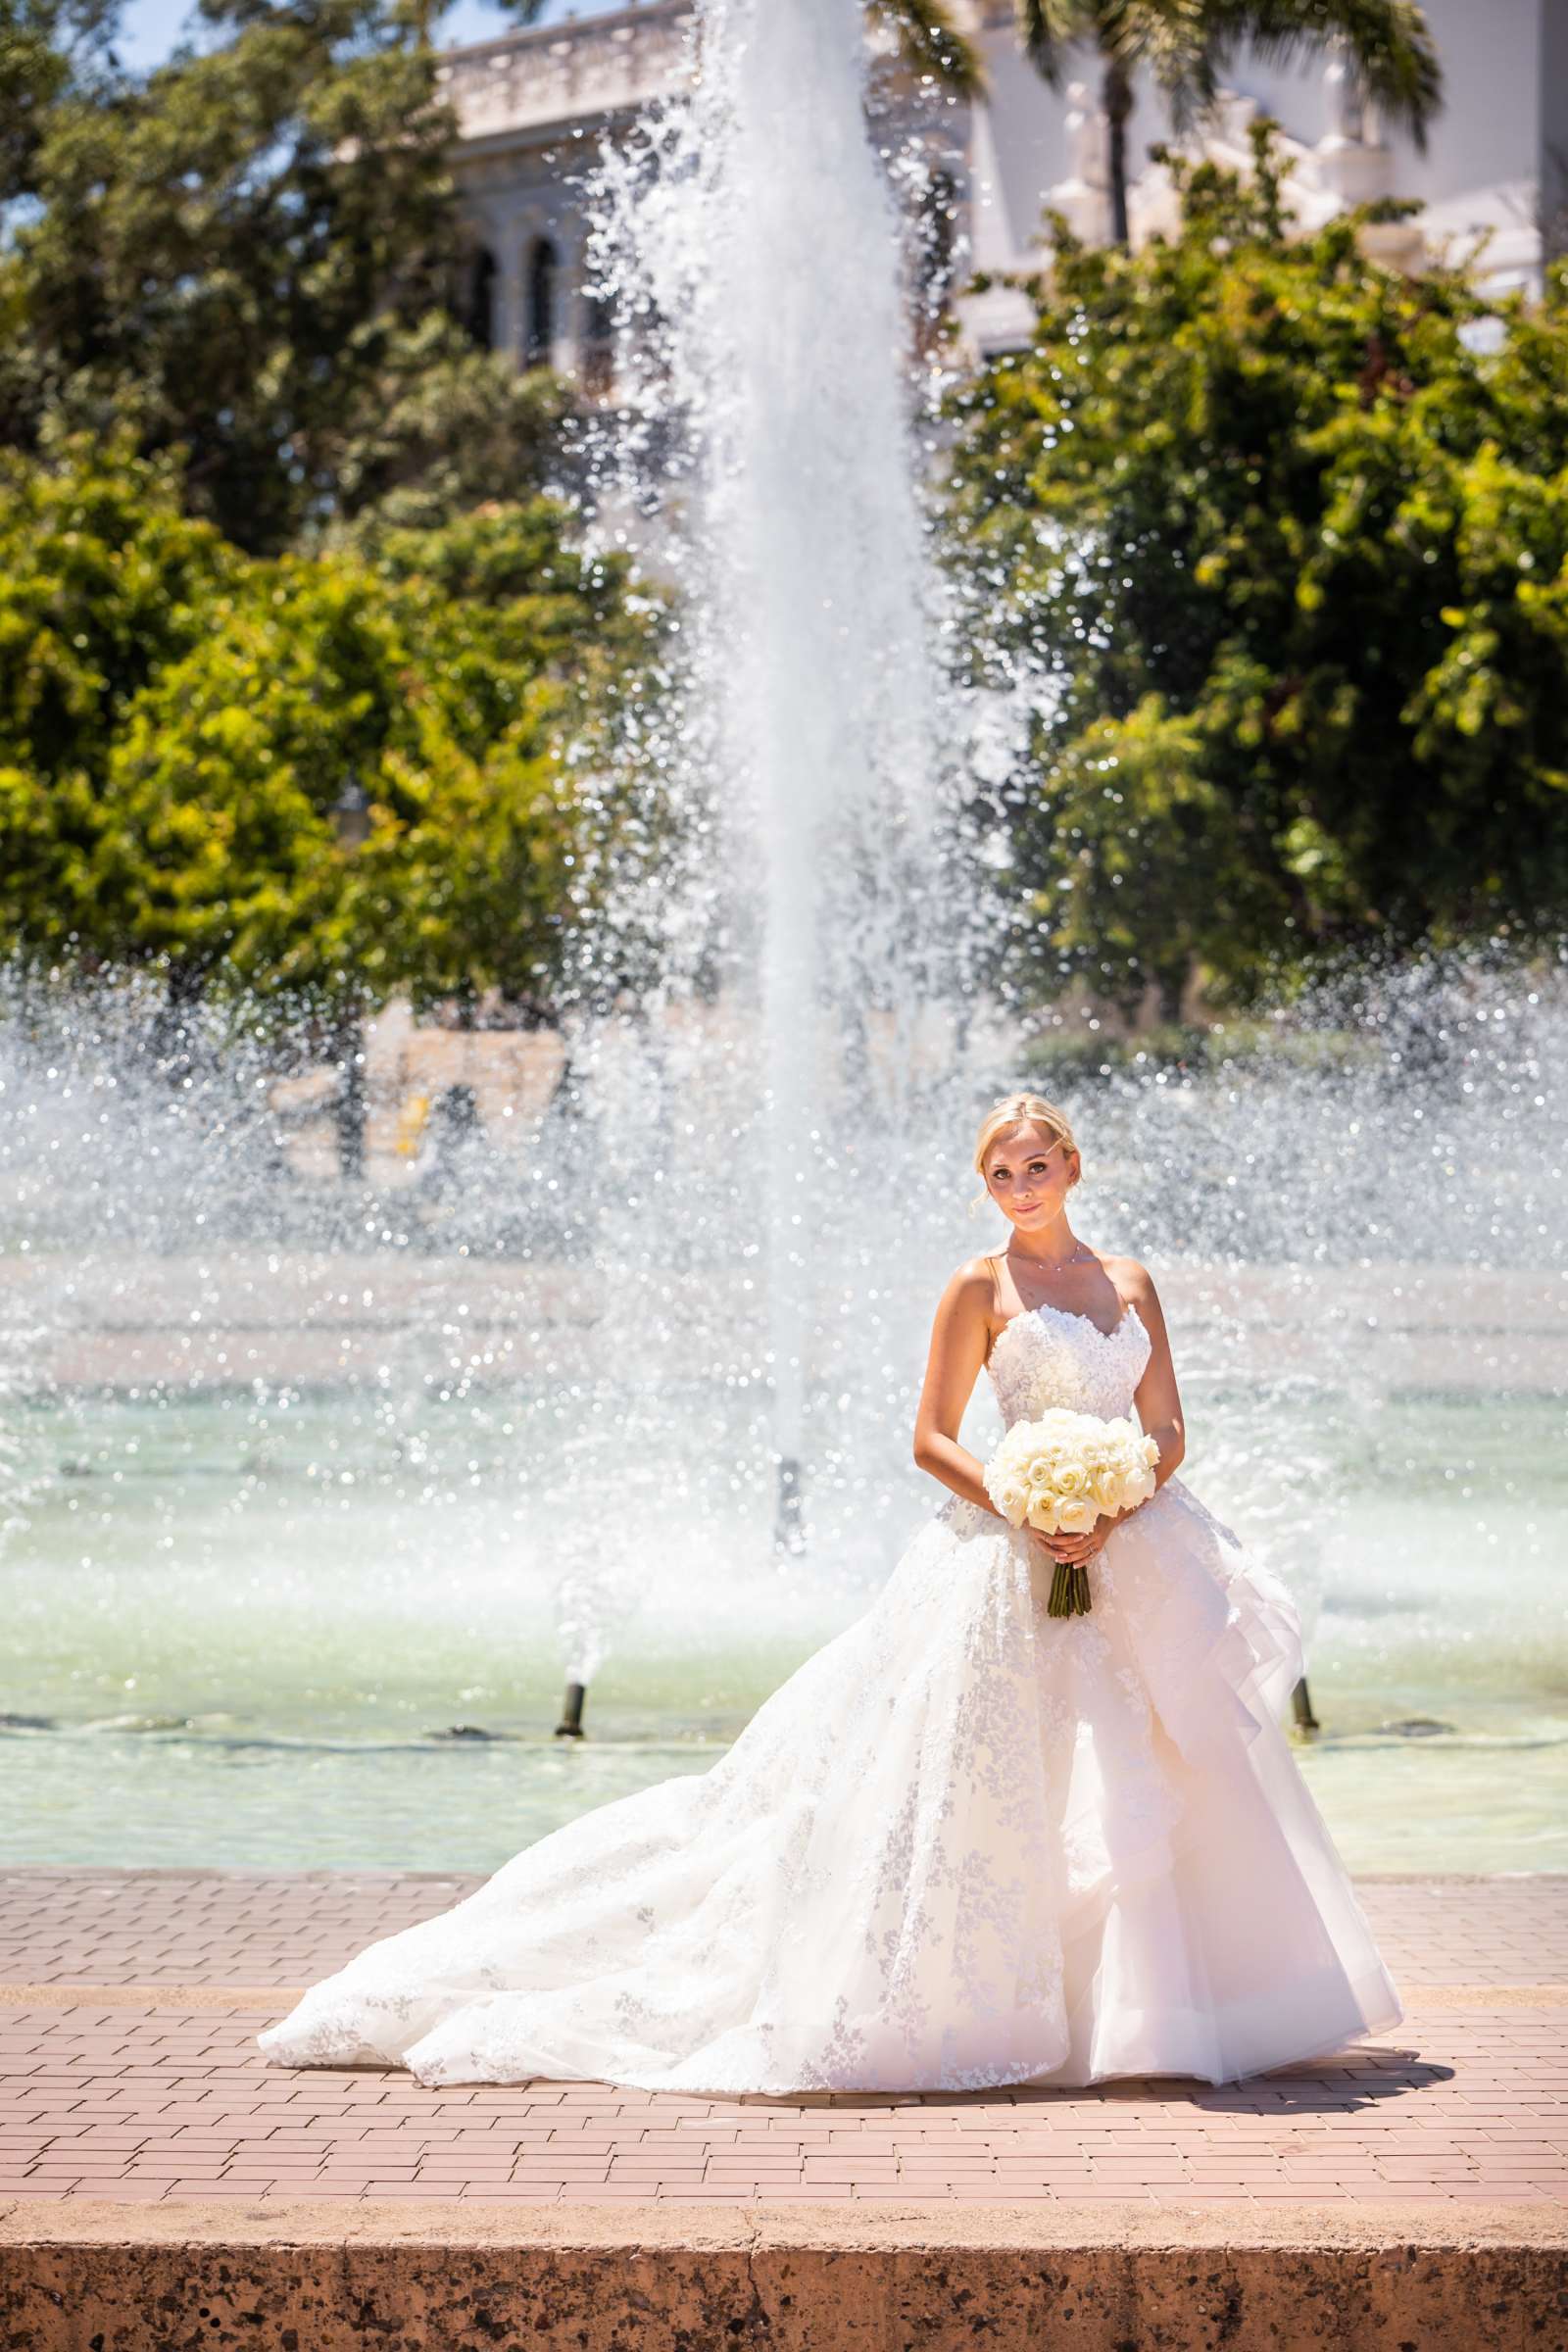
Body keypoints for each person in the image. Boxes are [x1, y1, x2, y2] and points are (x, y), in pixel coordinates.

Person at [257, 1091, 1402, 2094]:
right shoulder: (977, 1286)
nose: (1018, 1187)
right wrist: (1027, 1502)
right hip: (1011, 1550)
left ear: (1073, 1168)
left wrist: (1116, 1500)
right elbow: (929, 1439)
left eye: (1035, 1167)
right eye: (998, 1173)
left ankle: (1156, 2013)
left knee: (1156, 1765)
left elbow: (1166, 1425)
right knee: (997, 1775)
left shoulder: (1132, 1281)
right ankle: (995, 1999)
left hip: (1136, 1543)